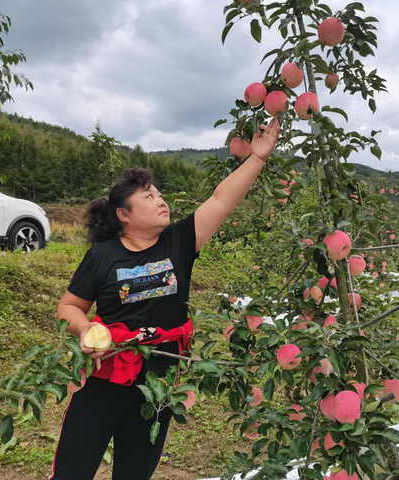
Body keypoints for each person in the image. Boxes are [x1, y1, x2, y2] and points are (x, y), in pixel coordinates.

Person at [49, 118, 280, 480]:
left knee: (134, 473)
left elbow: (221, 198)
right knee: (72, 472)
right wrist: (85, 329)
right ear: (124, 215)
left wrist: (257, 159)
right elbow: (69, 307)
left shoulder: (179, 242)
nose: (161, 200)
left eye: (159, 194)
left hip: (159, 382)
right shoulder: (102, 256)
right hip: (105, 376)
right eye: (148, 196)